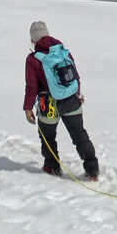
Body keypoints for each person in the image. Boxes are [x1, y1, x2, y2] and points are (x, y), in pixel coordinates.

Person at [23, 21, 100, 181]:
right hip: (72, 99)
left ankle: (52, 167)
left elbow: (32, 87)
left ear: (33, 39)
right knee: (80, 135)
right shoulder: (62, 51)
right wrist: (77, 93)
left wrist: (28, 108)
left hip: (49, 104)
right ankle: (92, 171)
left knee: (47, 136)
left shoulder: (33, 59)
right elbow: (75, 75)